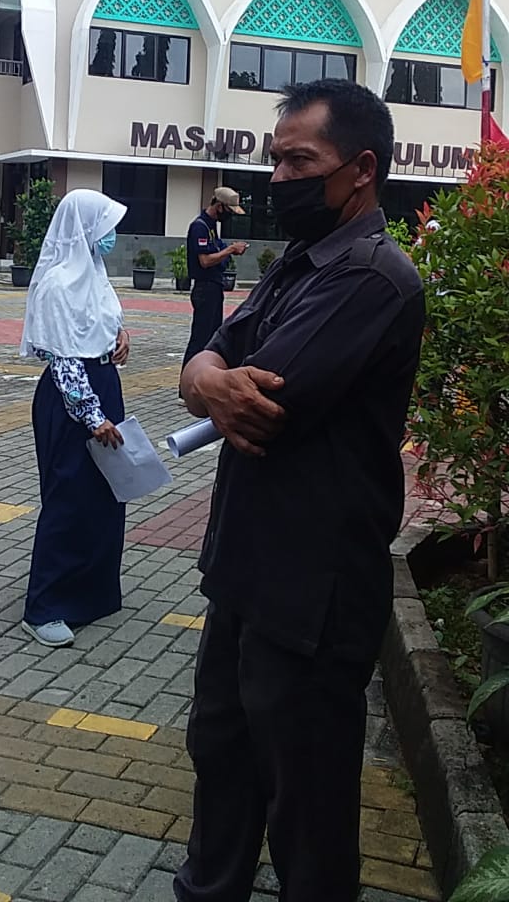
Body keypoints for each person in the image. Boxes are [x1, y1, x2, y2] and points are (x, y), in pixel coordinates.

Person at [175, 80, 425, 902]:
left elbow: (265, 402)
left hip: (314, 590)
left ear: (362, 169)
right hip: (245, 569)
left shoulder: (373, 278)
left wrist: (211, 377)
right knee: (221, 755)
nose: (278, 177)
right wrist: (205, 376)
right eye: (275, 159)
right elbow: (210, 364)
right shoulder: (298, 264)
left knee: (306, 806)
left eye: (299, 161)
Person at [19, 188, 130, 649]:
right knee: (69, 499)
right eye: (105, 226)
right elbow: (63, 357)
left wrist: (121, 337)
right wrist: (91, 414)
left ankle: (90, 593)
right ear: (84, 228)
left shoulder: (94, 272)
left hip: (103, 385)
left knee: (105, 495)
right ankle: (44, 607)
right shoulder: (58, 284)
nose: (111, 236)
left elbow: (103, 323)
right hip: (73, 401)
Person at [181, 187, 248, 371]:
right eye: (228, 211)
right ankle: (186, 382)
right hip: (205, 288)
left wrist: (228, 251)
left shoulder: (211, 226)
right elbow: (205, 261)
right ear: (219, 206)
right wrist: (230, 250)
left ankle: (201, 377)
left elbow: (216, 253)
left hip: (214, 287)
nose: (229, 216)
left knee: (211, 337)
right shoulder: (200, 226)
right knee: (200, 339)